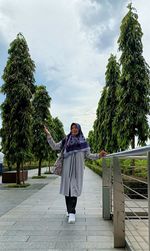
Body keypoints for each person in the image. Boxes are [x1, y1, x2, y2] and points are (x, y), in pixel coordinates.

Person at [44, 123, 106, 224]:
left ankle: (72, 212)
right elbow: (55, 146)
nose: (74, 129)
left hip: (77, 171)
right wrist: (48, 135)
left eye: (76, 127)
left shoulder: (84, 143)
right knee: (67, 190)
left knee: (74, 189)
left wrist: (99, 155)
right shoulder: (65, 140)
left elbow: (89, 155)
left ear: (79, 129)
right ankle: (69, 210)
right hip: (66, 170)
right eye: (72, 128)